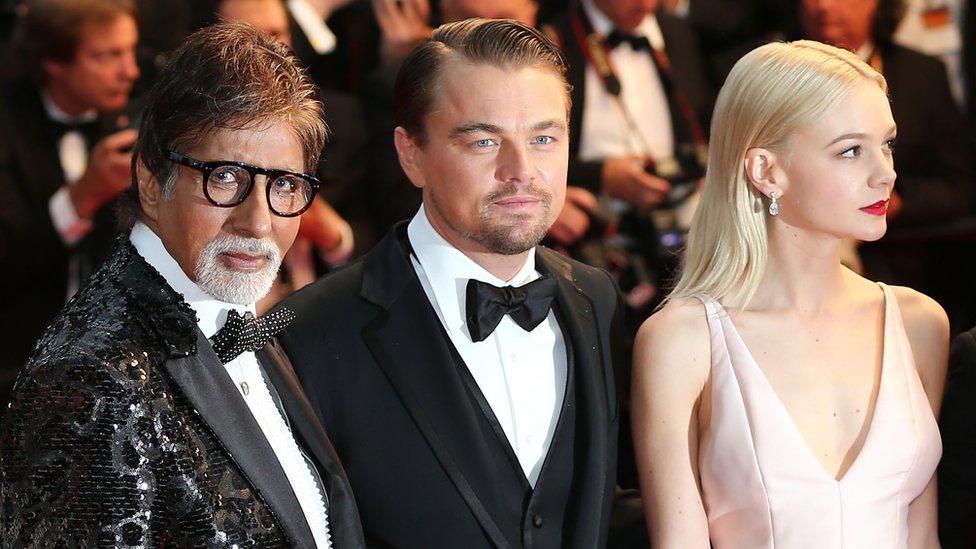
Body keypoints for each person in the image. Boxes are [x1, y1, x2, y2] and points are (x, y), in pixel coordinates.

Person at [0, 23, 363, 547]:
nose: (258, 222)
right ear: (150, 182)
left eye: (283, 185)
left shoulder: (239, 316)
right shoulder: (88, 379)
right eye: (224, 178)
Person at [276, 18, 622, 548]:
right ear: (411, 154)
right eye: (484, 141)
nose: (522, 169)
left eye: (545, 138)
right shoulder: (308, 333)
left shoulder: (597, 299)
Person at [632, 40, 947, 548]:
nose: (885, 172)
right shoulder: (680, 339)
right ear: (766, 171)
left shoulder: (919, 323)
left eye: (886, 143)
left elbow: (922, 535)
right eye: (850, 150)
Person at [0, 0, 140, 407]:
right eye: (108, 56)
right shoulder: (8, 125)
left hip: (108, 366)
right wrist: (84, 195)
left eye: (130, 51)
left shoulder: (130, 121)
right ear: (54, 62)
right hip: (14, 362)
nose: (129, 71)